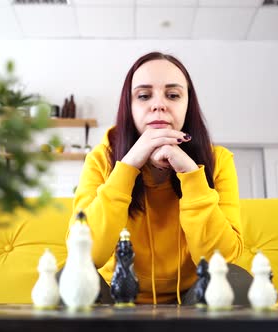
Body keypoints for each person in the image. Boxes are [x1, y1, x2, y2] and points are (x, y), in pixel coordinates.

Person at [70, 51, 252, 305]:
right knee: (65, 279)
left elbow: (223, 262)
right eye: (144, 96)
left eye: (173, 95)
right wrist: (128, 166)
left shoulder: (218, 161)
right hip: (117, 298)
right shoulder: (101, 159)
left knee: (236, 280)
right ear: (129, 107)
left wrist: (191, 175)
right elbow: (85, 256)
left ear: (188, 106)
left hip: (193, 300)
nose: (159, 105)